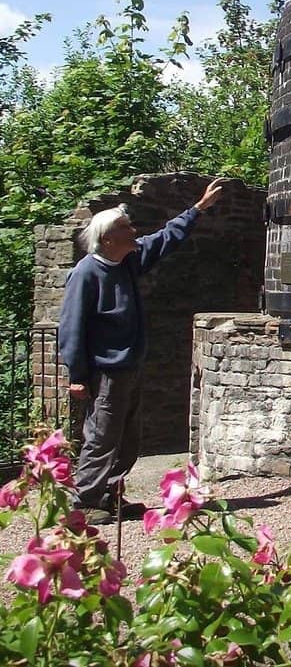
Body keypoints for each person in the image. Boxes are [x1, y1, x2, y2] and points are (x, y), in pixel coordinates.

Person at [58, 178, 225, 523]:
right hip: (105, 372)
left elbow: (164, 239)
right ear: (107, 239)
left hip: (130, 367)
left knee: (128, 437)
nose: (134, 231)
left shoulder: (127, 262)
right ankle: (84, 504)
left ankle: (110, 497)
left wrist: (197, 209)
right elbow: (72, 328)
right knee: (102, 436)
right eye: (126, 227)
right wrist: (77, 376)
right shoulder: (86, 274)